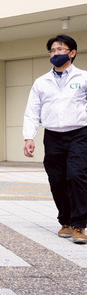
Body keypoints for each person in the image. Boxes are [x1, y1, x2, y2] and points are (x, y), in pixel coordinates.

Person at [23, 34, 87, 244]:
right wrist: (28, 137)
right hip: (52, 136)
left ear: (72, 53)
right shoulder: (41, 82)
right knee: (57, 180)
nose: (56, 53)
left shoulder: (83, 78)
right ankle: (65, 222)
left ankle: (79, 226)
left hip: (79, 133)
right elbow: (32, 111)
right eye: (52, 50)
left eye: (60, 49)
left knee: (76, 176)